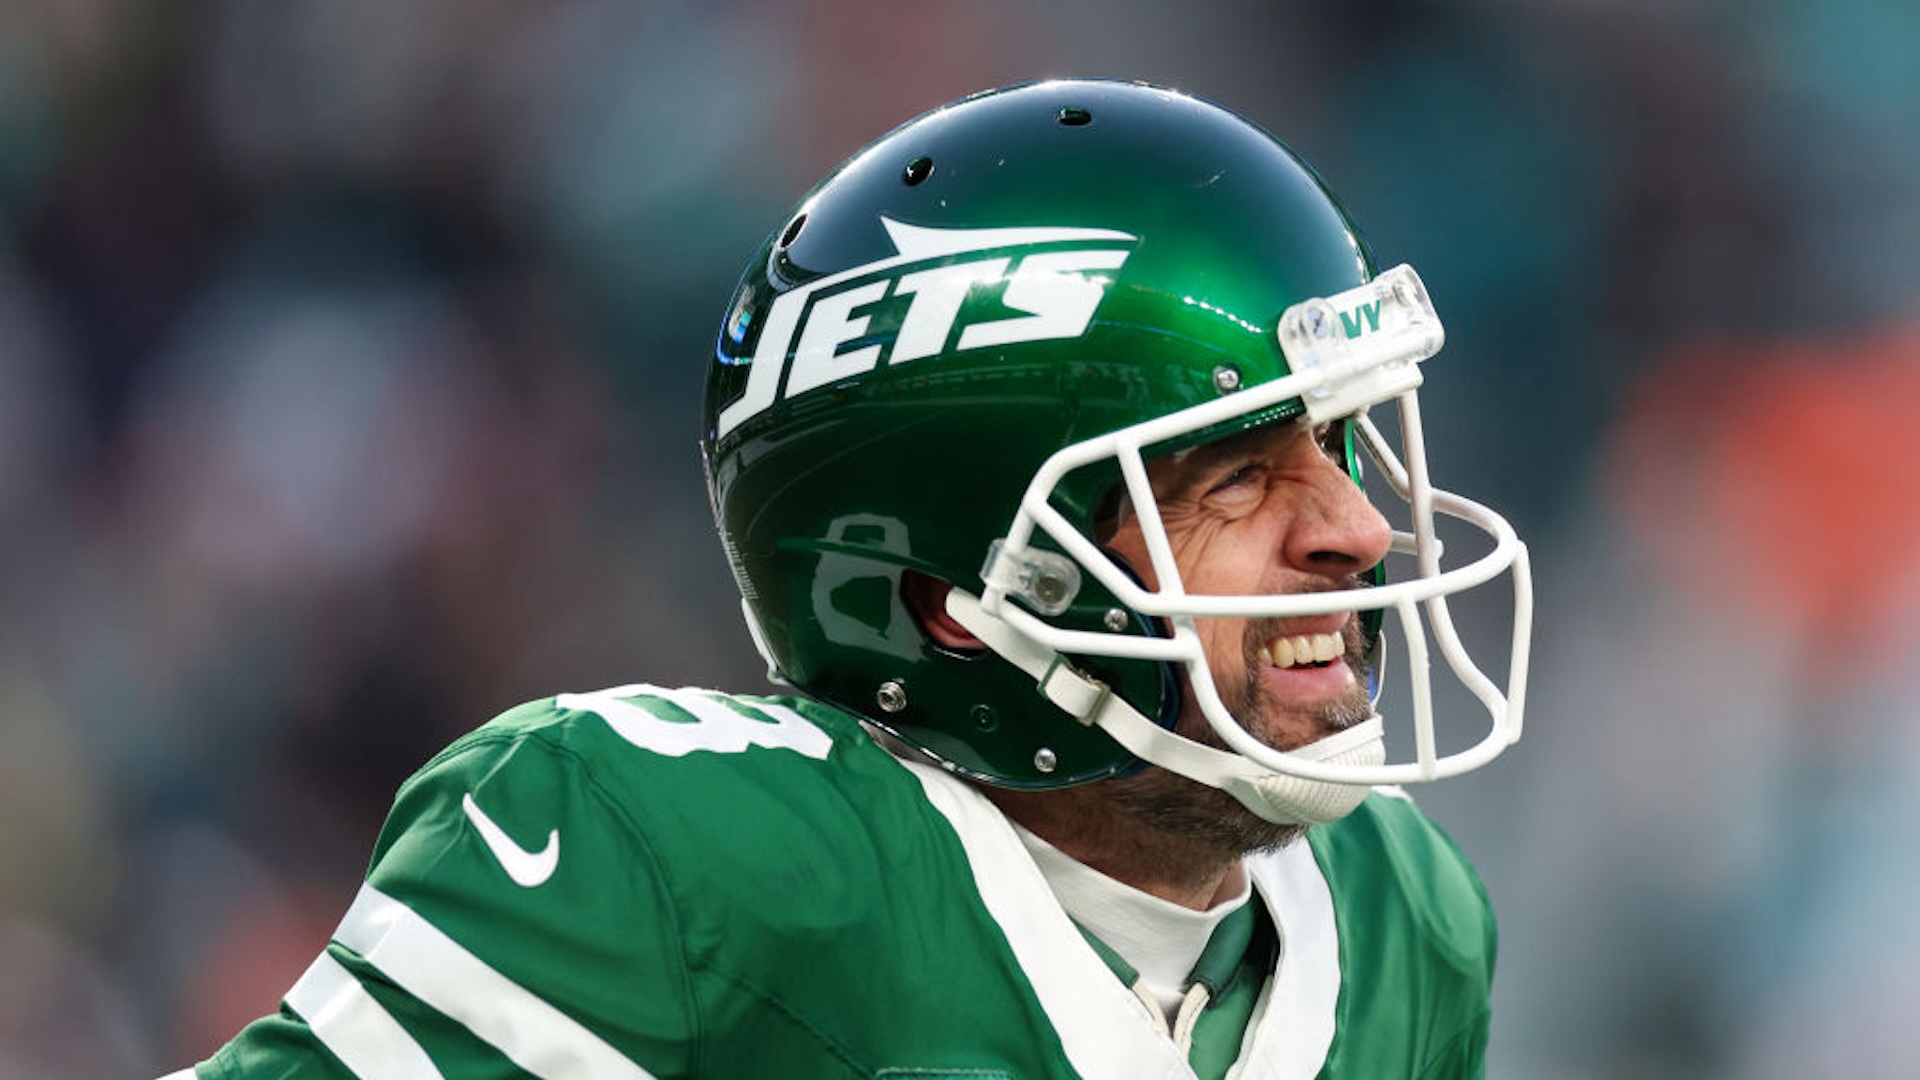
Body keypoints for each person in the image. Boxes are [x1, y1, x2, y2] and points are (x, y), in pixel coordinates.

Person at [161, 78, 1532, 1080]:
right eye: (1237, 476)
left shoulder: (1404, 926)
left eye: (1338, 442)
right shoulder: (684, 872)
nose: (1356, 525)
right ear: (955, 598)